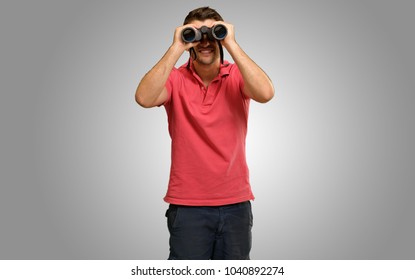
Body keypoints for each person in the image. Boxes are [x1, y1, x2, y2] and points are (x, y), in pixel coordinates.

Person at [135, 6, 274, 260]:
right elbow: (144, 98)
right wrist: (177, 47)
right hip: (188, 206)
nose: (206, 41)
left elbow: (266, 93)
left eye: (213, 34)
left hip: (235, 203)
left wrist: (231, 43)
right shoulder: (175, 79)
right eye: (197, 35)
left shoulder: (235, 76)